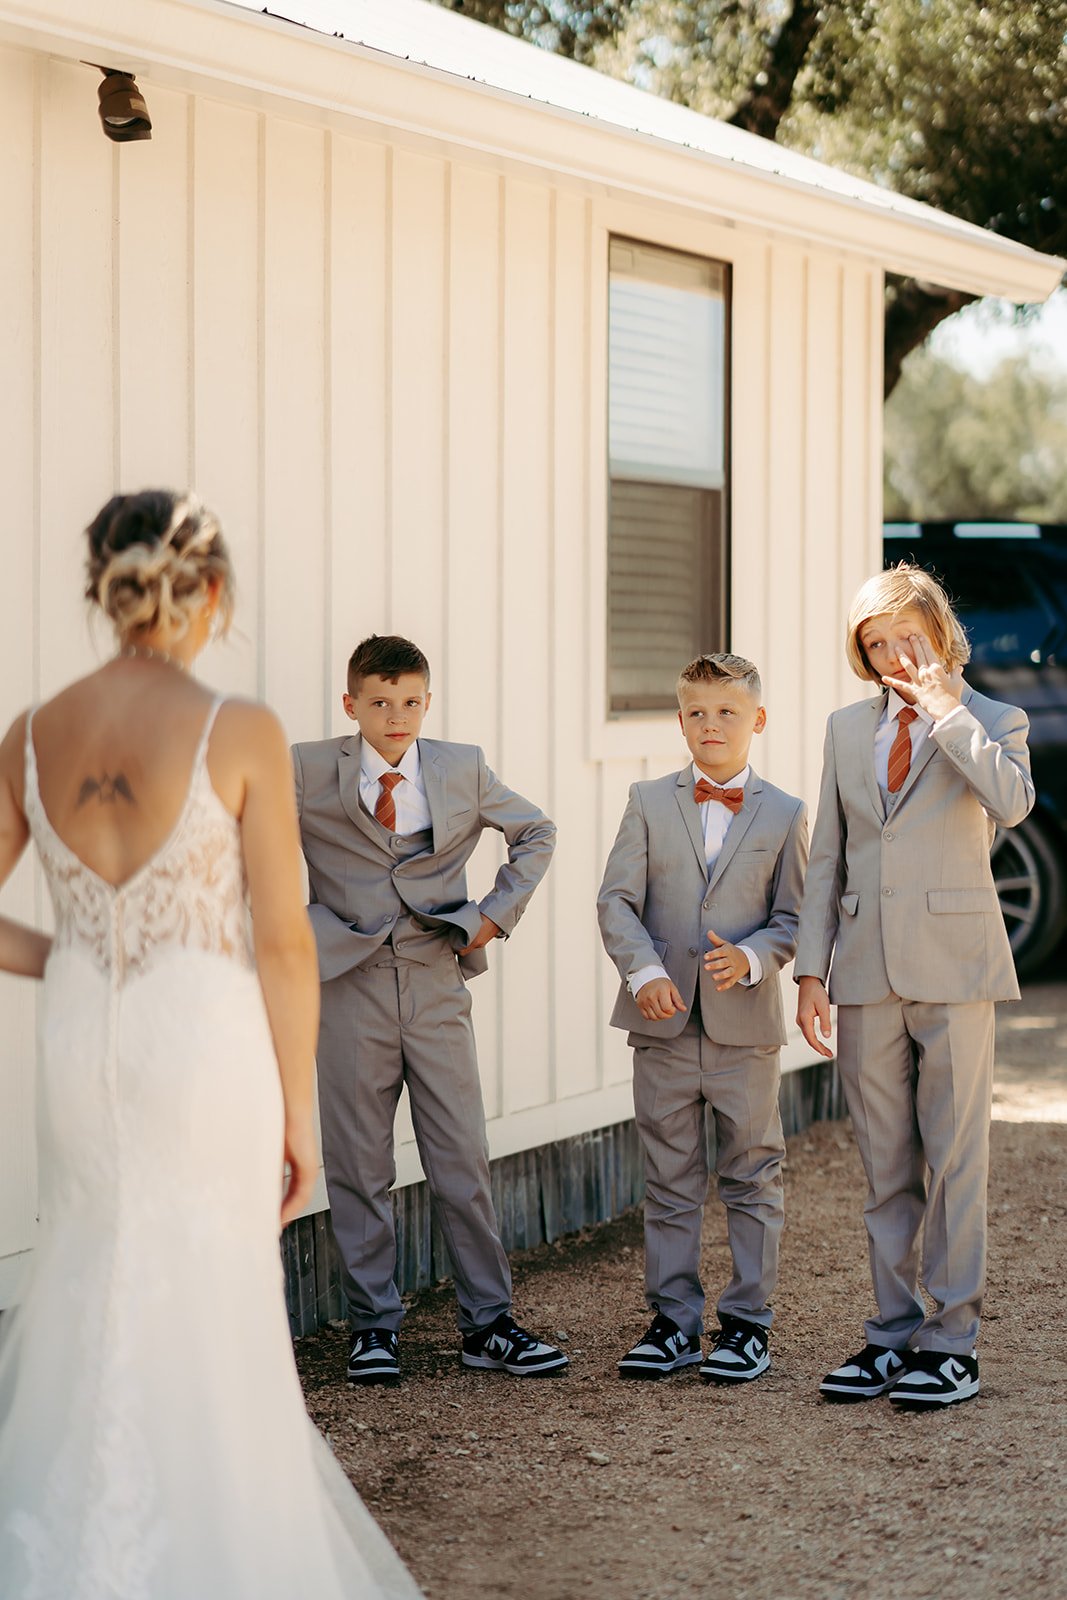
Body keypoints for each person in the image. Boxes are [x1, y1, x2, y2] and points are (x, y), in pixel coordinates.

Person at [0, 491, 419, 1599]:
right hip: (201, 1040)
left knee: (92, 1266)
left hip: (82, 1040)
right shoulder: (238, 727)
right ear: (211, 594)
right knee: (208, 1285)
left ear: (102, 589)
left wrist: (80, 959)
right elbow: (283, 939)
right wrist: (300, 1119)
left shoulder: (32, 731)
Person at [292, 635, 566, 1385]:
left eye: (410, 701)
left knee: (460, 1157)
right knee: (357, 1163)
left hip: (435, 974)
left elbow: (536, 832)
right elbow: (246, 849)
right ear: (351, 706)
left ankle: (488, 1324)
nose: (396, 716)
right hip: (346, 986)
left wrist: (491, 915)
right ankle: (373, 1328)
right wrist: (290, 932)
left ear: (427, 701)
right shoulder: (308, 768)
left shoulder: (460, 766)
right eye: (379, 703)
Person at [796, 564, 1035, 1411]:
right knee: (882, 1162)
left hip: (956, 965)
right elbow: (827, 855)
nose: (893, 655)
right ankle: (891, 1333)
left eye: (907, 638)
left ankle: (952, 1341)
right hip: (863, 968)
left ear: (938, 634)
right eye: (875, 643)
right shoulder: (842, 728)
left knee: (954, 1157)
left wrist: (946, 715)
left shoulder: (994, 719)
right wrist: (811, 968)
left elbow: (1009, 805)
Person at [598, 653, 808, 1383]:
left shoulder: (783, 813)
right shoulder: (648, 800)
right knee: (669, 1176)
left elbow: (793, 915)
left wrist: (751, 958)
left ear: (756, 720)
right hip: (661, 1024)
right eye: (695, 712)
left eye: (726, 713)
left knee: (751, 1174)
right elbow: (615, 902)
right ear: (679, 719)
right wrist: (644, 970)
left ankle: (747, 1324)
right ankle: (671, 1322)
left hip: (743, 1031)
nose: (709, 725)